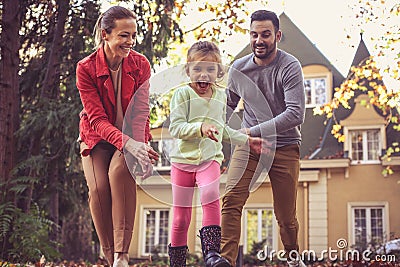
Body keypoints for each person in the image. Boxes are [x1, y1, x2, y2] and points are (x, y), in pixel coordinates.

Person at [168, 41, 267, 267]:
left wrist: (246, 140)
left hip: (209, 160)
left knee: (210, 194)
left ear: (218, 72)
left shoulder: (220, 97)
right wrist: (200, 128)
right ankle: (177, 263)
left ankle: (212, 254)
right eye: (198, 69)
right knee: (181, 218)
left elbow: (221, 128)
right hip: (182, 162)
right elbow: (176, 128)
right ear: (188, 71)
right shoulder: (182, 94)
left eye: (210, 70)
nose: (204, 75)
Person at [220, 10, 306, 267]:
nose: (259, 40)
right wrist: (208, 127)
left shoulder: (289, 66)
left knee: (285, 216)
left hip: (285, 145)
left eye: (266, 35)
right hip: (249, 147)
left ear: (277, 36)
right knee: (231, 199)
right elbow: (226, 107)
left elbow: (295, 114)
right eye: (254, 34)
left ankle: (293, 258)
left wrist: (252, 131)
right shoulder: (239, 68)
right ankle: (225, 261)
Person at [76, 6, 159, 267]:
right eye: (124, 35)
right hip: (96, 138)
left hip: (131, 136)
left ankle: (122, 255)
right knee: (99, 188)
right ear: (106, 35)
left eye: (133, 35)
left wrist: (141, 146)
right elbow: (97, 120)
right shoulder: (86, 68)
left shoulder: (140, 64)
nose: (130, 42)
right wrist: (130, 143)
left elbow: (142, 111)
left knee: (119, 173)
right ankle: (111, 256)